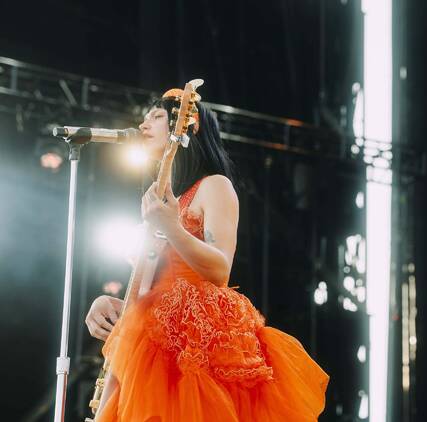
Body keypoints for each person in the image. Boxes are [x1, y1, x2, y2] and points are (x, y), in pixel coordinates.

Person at [85, 88, 329, 421]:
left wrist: (171, 226)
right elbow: (147, 286)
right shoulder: (165, 199)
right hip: (148, 339)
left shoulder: (213, 185)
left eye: (155, 115)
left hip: (196, 340)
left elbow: (219, 269)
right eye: (145, 116)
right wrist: (108, 305)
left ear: (189, 124)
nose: (143, 123)